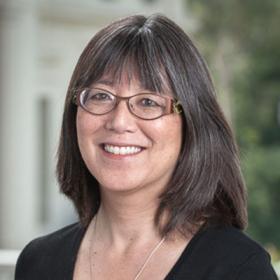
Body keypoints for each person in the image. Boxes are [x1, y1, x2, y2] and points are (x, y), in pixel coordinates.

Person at [15, 14, 278, 280]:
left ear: (192, 122)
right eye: (101, 96)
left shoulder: (239, 268)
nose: (119, 122)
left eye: (149, 102)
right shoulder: (37, 263)